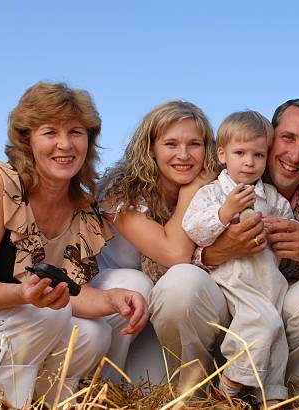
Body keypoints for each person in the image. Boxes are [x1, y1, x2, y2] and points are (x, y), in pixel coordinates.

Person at [0, 82, 148, 407]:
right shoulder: (0, 183)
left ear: (89, 139)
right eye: (50, 132)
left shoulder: (81, 208)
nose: (65, 145)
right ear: (27, 140)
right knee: (45, 315)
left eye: (76, 132)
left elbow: (69, 295)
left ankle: (16, 399)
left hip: (6, 332)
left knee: (95, 336)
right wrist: (22, 295)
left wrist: (114, 298)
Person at [149, 99, 299, 403]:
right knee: (180, 283)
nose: (295, 155)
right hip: (221, 305)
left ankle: (291, 398)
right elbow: (162, 263)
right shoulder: (212, 184)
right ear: (270, 139)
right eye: (287, 139)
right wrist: (214, 253)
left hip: (278, 309)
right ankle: (196, 394)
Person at [95, 100, 219, 378]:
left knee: (153, 387)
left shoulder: (216, 186)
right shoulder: (121, 189)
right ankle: (98, 384)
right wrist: (192, 190)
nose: (183, 155)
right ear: (150, 147)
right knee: (134, 282)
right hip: (112, 301)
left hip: (161, 307)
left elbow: (254, 160)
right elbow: (175, 254)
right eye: (171, 144)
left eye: (194, 144)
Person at [182, 111, 295, 402]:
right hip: (232, 276)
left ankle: (271, 394)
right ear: (223, 155)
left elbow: (288, 230)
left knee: (276, 335)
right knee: (263, 321)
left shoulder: (271, 197)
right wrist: (224, 212)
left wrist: (277, 231)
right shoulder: (213, 194)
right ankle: (230, 382)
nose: (249, 162)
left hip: (268, 277)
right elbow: (194, 229)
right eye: (240, 153)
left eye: (258, 154)